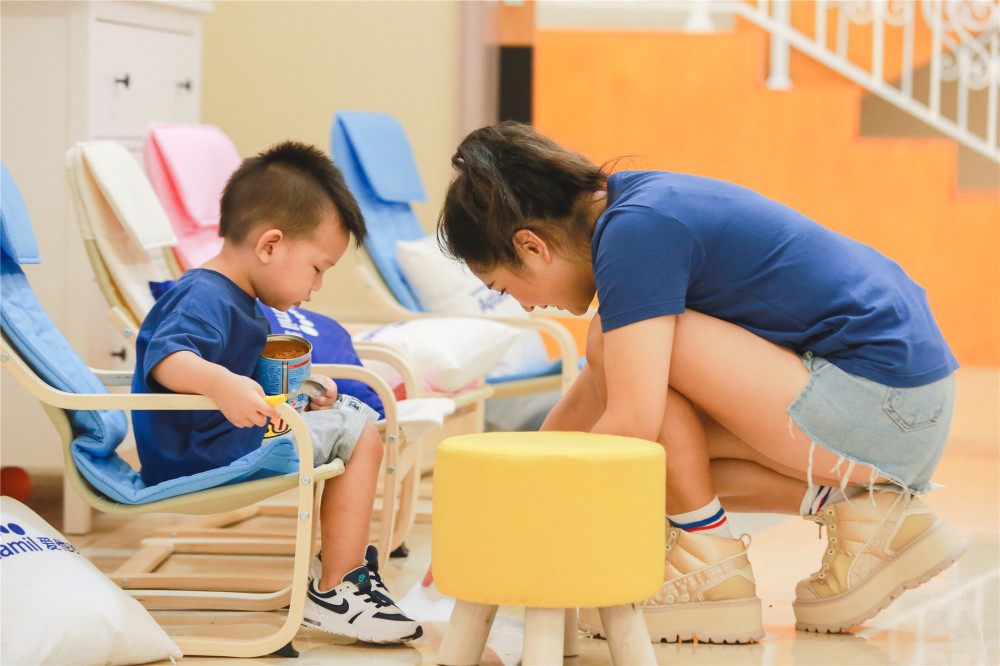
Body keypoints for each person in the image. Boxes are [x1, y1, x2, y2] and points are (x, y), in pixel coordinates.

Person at [437, 122, 965, 643]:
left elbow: (632, 425)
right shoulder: (638, 209)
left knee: (616, 356)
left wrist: (523, 534)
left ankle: (707, 563)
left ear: (531, 245)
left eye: (506, 289)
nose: (528, 305)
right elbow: (591, 410)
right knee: (667, 444)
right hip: (903, 408)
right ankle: (859, 510)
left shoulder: (634, 231)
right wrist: (505, 499)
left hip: (879, 403)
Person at [131, 141, 422, 644]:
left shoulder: (238, 299)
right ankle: (336, 588)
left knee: (350, 414)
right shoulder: (202, 294)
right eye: (317, 268)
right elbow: (169, 359)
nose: (317, 286)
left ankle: (339, 579)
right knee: (360, 430)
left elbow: (250, 382)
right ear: (270, 245)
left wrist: (303, 393)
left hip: (225, 442)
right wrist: (221, 383)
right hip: (200, 456)